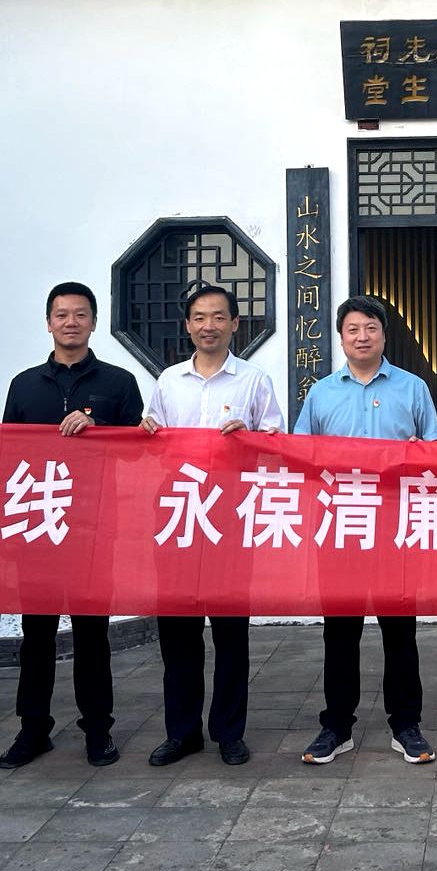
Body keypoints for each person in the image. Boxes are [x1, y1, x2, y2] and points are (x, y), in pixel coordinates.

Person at [294, 295, 437, 766]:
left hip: (396, 527)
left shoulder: (412, 387)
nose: (362, 337)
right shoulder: (321, 393)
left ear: (384, 334)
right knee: (340, 632)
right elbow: (300, 456)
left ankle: (407, 725)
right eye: (353, 329)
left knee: (400, 630)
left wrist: (422, 453)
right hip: (340, 525)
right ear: (340, 338)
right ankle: (336, 726)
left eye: (371, 328)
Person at [0, 281, 142, 770]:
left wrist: (99, 429)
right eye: (61, 315)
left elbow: (139, 452)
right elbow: (8, 457)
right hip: (36, 525)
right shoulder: (24, 385)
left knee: (91, 637)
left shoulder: (119, 383)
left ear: (94, 322)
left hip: (93, 529)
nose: (71, 322)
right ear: (48, 323)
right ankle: (32, 729)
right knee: (36, 637)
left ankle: (98, 730)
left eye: (80, 314)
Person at [141, 284, 283, 767]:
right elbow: (152, 442)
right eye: (200, 317)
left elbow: (276, 443)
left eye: (219, 317)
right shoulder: (168, 381)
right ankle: (182, 733)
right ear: (188, 325)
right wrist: (144, 432)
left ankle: (228, 732)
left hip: (229, 516)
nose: (209, 326)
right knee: (177, 632)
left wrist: (250, 438)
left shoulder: (254, 381)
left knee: (230, 633)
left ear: (235, 324)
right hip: (179, 514)